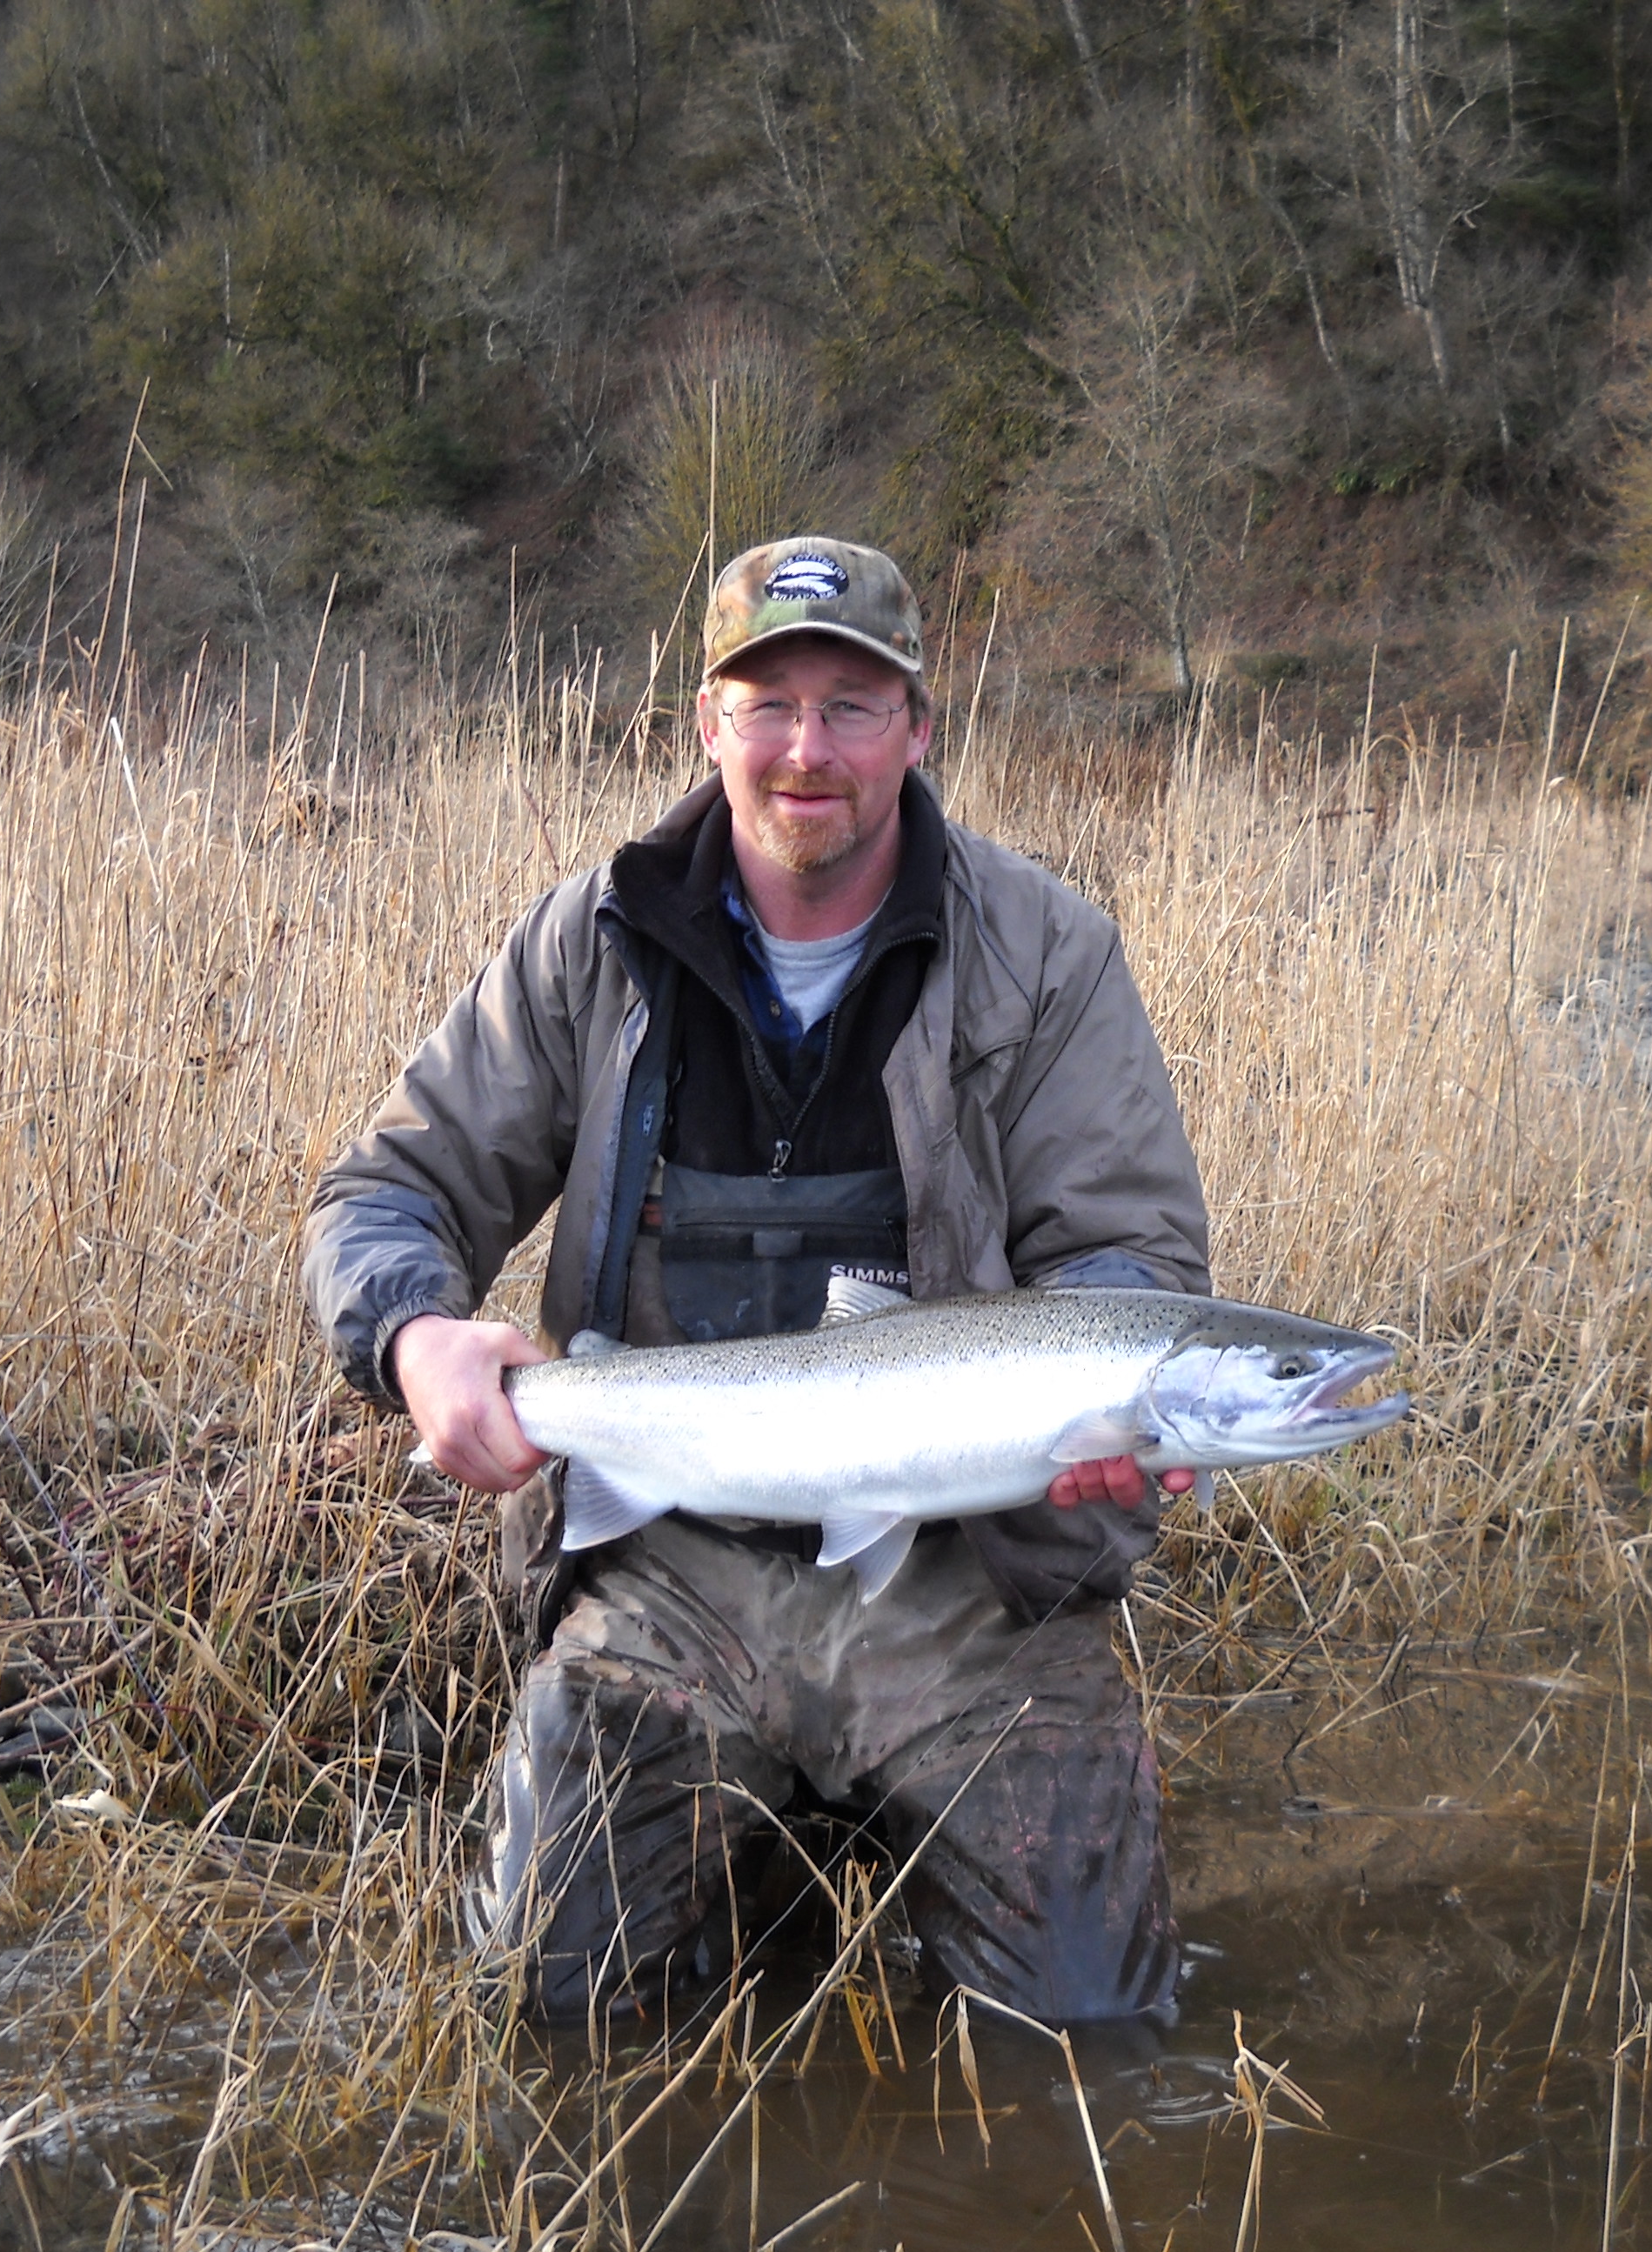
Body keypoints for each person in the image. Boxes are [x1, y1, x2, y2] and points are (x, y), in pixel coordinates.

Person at [299, 536, 1210, 2024]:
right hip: (674, 1580)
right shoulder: (591, 943)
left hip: (963, 1590)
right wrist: (415, 1341)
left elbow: (1132, 1255)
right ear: (707, 724)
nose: (807, 750)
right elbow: (386, 1191)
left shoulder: (1046, 956)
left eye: (853, 705)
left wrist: (1112, 1420)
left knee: (1089, 2036)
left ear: (919, 729)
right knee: (552, 1998)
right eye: (767, 702)